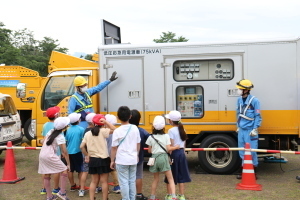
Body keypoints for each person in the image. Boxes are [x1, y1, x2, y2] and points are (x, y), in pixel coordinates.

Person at [80, 114, 116, 200]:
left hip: (93, 159)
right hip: (103, 159)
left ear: (93, 122)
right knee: (104, 181)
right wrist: (106, 122)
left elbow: (81, 146)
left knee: (93, 181)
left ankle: (92, 198)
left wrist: (87, 155)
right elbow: (115, 129)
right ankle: (105, 198)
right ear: (102, 123)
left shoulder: (88, 133)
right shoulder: (103, 131)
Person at [110, 106, 141, 200]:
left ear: (118, 117)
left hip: (121, 160)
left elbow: (114, 148)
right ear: (130, 116)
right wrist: (137, 154)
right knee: (132, 180)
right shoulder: (135, 128)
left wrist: (112, 160)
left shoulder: (117, 131)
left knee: (123, 182)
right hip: (133, 158)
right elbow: (138, 143)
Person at [146, 116, 179, 200]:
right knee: (170, 178)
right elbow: (168, 149)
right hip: (164, 158)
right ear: (164, 126)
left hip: (154, 158)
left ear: (153, 126)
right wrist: (175, 147)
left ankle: (152, 197)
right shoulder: (166, 136)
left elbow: (149, 151)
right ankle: (173, 196)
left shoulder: (151, 137)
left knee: (155, 179)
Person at [38, 117, 71, 200]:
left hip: (42, 154)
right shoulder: (60, 136)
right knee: (64, 169)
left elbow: (43, 141)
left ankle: (49, 196)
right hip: (50, 155)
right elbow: (65, 152)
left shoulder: (50, 131)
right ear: (64, 127)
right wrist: (68, 164)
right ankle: (62, 192)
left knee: (47, 174)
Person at [235, 79, 262, 179]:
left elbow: (258, 116)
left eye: (240, 89)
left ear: (246, 90)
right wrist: (238, 125)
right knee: (242, 150)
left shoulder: (255, 101)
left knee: (252, 151)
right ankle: (244, 169)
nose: (238, 90)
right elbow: (238, 113)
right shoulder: (239, 100)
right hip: (241, 129)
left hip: (250, 130)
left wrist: (255, 128)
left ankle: (254, 170)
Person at [164, 111, 191, 200]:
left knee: (170, 174)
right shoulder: (183, 129)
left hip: (174, 153)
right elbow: (184, 144)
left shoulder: (171, 130)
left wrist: (169, 155)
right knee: (181, 174)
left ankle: (170, 194)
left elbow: (171, 144)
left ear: (171, 121)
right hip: (181, 154)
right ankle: (181, 195)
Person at [40, 106, 61, 195]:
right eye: (58, 112)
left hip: (45, 150)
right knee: (56, 170)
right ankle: (56, 188)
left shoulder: (45, 125)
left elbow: (43, 138)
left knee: (46, 170)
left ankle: (44, 188)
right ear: (56, 115)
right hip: (56, 151)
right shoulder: (58, 125)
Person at [129, 109, 150, 200]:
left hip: (126, 158)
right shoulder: (142, 131)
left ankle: (129, 195)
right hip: (139, 157)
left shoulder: (125, 130)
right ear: (139, 119)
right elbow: (150, 139)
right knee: (138, 176)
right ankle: (138, 194)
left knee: (128, 177)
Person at [65, 112, 85, 191]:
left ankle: (72, 185)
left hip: (69, 152)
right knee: (80, 170)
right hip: (78, 152)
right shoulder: (81, 129)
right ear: (78, 121)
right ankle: (81, 185)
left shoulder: (67, 130)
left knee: (70, 169)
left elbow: (66, 141)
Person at [78, 112, 96, 197]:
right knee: (94, 173)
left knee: (85, 172)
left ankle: (81, 189)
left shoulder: (85, 130)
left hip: (86, 154)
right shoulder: (95, 131)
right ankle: (95, 188)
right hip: (93, 154)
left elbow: (82, 145)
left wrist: (86, 154)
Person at [105, 114, 121, 194]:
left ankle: (106, 188)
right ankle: (117, 186)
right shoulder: (115, 131)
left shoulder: (104, 131)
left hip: (105, 154)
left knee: (105, 172)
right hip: (113, 154)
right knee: (113, 170)